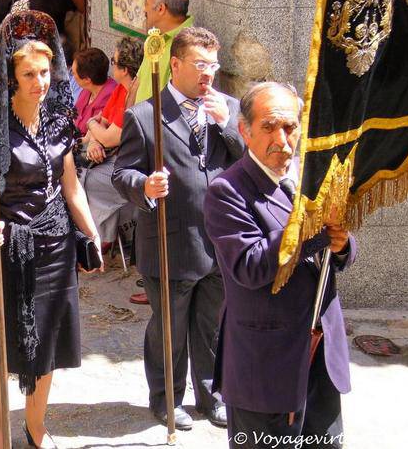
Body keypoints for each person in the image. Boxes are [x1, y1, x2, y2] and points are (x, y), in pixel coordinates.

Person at [0, 10, 100, 449]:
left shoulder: (60, 121)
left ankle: (36, 425)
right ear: (12, 75)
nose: (39, 81)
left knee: (50, 337)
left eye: (44, 72)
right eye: (29, 73)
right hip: (10, 243)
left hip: (56, 243)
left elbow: (71, 185)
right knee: (1, 340)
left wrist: (93, 234)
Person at [203, 82, 356, 449]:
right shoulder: (228, 190)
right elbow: (250, 266)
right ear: (245, 130)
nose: (281, 139)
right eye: (269, 127)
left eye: (289, 128)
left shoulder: (312, 179)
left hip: (320, 359)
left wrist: (340, 244)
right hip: (265, 365)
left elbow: (338, 255)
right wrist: (315, 230)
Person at [112, 27, 244, 430]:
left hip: (220, 242)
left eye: (214, 65)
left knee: (212, 326)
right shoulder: (145, 115)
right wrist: (144, 186)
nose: (209, 74)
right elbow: (122, 174)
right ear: (175, 64)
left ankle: (212, 395)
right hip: (170, 240)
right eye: (200, 65)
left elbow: (247, 163)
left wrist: (229, 127)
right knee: (170, 329)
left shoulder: (229, 108)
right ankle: (167, 398)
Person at [82, 36, 142, 249]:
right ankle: (96, 235)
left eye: (114, 62)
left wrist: (91, 124)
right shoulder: (119, 89)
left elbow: (108, 135)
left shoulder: (134, 95)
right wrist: (92, 143)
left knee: (84, 181)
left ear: (125, 69)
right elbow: (103, 124)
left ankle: (100, 237)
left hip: (123, 164)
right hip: (107, 155)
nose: (112, 66)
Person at [129, 0, 192, 106]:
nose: (144, 9)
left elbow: (175, 104)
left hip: (155, 122)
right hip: (138, 119)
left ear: (161, 9)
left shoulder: (188, 46)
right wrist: (128, 120)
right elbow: (136, 85)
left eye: (146, 3)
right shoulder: (156, 38)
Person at [72, 47, 116, 136]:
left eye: (73, 73)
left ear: (87, 79)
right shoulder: (87, 90)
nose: (72, 76)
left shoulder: (109, 98)